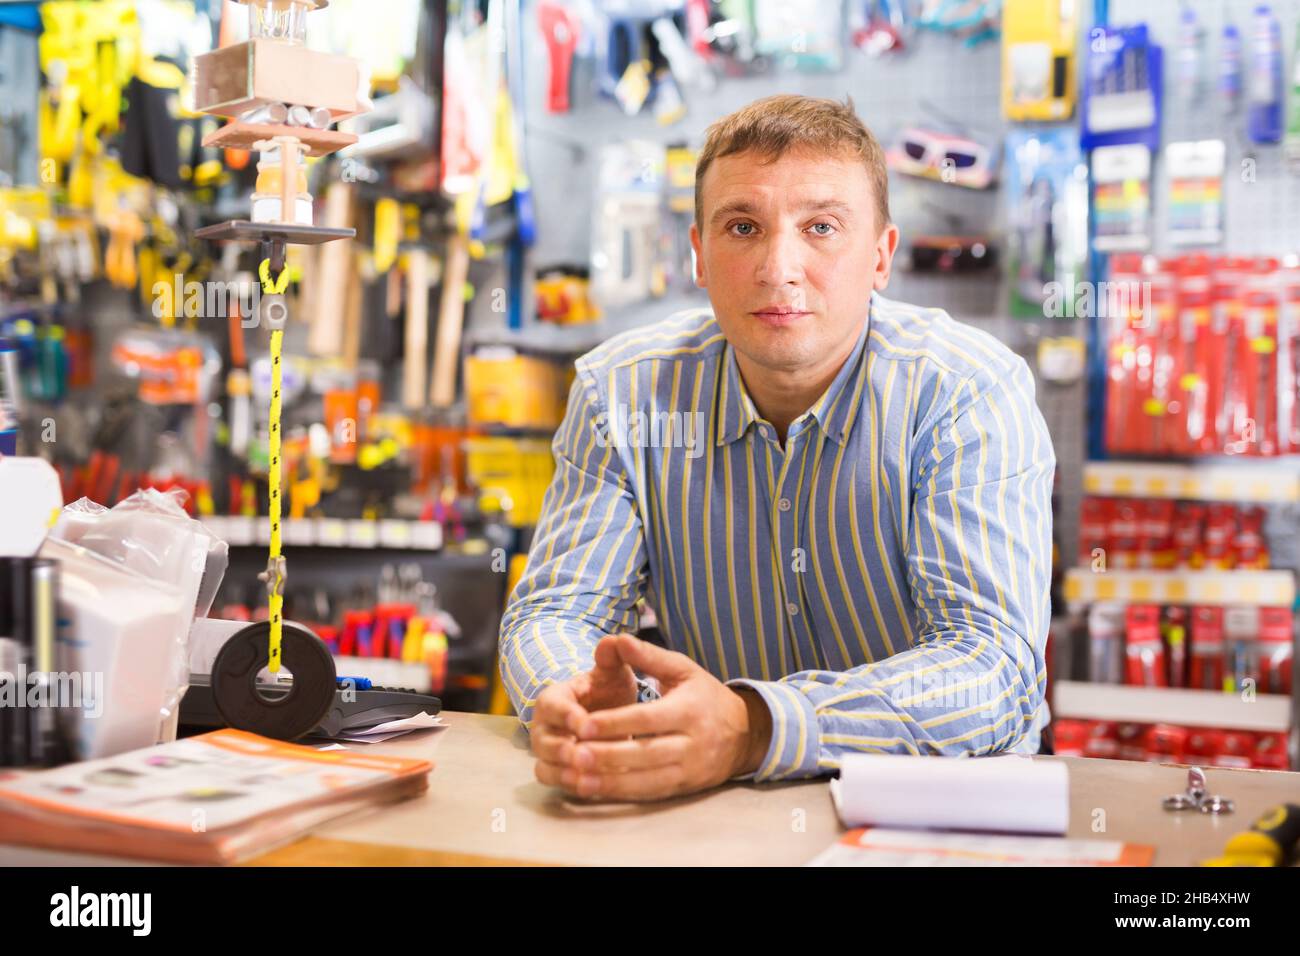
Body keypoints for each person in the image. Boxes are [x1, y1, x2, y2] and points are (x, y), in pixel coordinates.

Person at [499, 94, 1056, 802]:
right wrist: (580, 696)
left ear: (881, 256)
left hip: (941, 812)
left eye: (821, 227)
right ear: (699, 254)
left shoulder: (966, 393)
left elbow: (992, 666)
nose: (778, 267)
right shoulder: (624, 396)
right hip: (722, 805)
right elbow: (557, 613)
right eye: (743, 226)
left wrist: (755, 727)